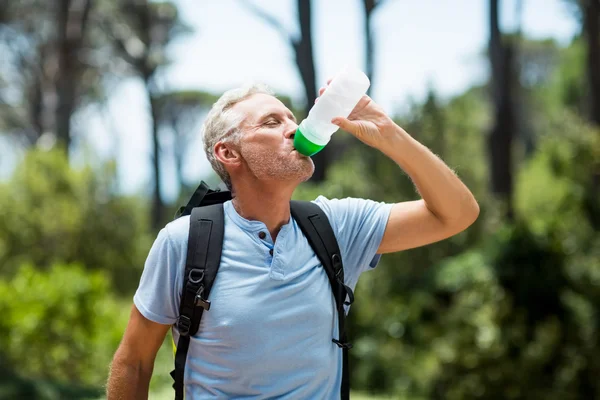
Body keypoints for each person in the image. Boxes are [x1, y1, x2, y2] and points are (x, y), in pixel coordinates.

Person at [106, 81, 480, 399]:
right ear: (228, 152)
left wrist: (389, 135)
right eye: (272, 122)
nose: (292, 128)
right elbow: (134, 361)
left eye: (291, 118)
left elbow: (457, 213)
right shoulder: (185, 241)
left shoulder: (335, 225)